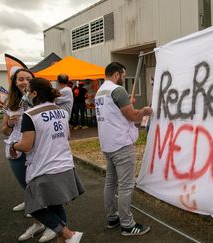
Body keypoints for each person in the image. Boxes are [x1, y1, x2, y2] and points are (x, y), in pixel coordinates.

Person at [10, 77, 85, 243]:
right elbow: (68, 135)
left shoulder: (30, 115)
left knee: (33, 207)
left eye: (28, 90)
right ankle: (64, 238)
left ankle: (68, 234)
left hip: (44, 168)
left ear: (35, 93)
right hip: (64, 164)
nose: (26, 94)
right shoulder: (61, 111)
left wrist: (14, 145)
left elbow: (27, 145)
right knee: (55, 205)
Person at [95, 62, 152, 236]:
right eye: (123, 75)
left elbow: (114, 111)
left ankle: (112, 217)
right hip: (121, 144)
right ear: (117, 74)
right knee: (126, 186)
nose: (123, 78)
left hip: (108, 144)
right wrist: (145, 110)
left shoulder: (100, 91)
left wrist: (128, 104)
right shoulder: (117, 90)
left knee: (110, 183)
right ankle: (128, 225)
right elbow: (133, 115)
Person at [1, 68, 56, 242]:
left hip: (38, 151)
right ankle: (38, 222)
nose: (24, 82)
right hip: (17, 151)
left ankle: (54, 226)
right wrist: (9, 123)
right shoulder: (9, 103)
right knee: (28, 190)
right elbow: (4, 132)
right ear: (15, 82)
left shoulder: (40, 101)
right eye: (20, 79)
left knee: (43, 190)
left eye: (27, 79)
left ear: (32, 82)